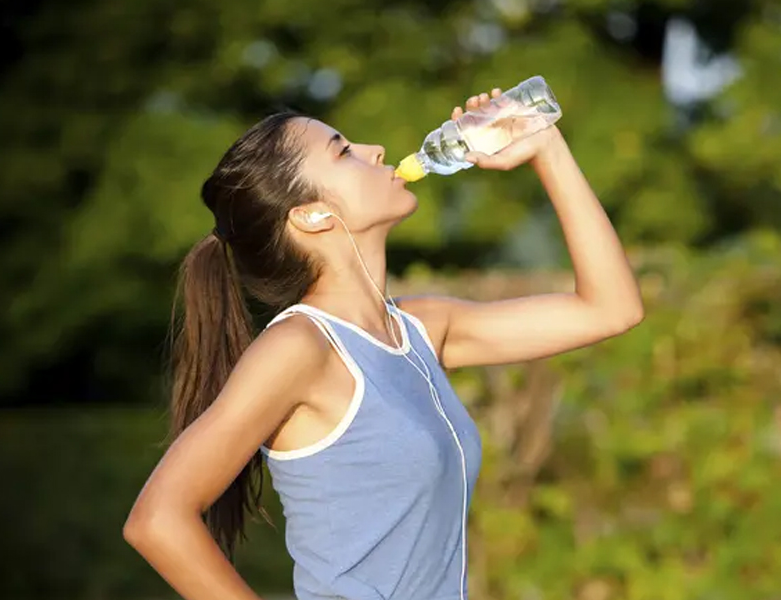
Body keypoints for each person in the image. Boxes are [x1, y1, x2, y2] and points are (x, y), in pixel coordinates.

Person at [122, 88, 644, 600]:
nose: (375, 151)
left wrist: (546, 148)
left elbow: (611, 309)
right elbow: (157, 519)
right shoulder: (301, 347)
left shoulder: (419, 328)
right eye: (344, 152)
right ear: (312, 215)